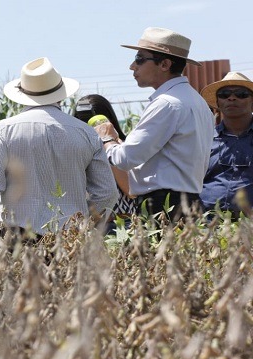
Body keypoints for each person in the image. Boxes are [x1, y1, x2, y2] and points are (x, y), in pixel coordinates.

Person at [0, 57, 117, 240]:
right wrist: (84, 222)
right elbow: (107, 192)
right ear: (61, 94)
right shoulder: (87, 133)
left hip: (15, 237)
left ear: (23, 94)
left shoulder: (3, 131)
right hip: (69, 238)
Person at [94, 27, 213, 220]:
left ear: (165, 64)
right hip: (186, 202)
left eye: (140, 59)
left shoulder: (166, 103)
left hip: (162, 206)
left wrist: (106, 138)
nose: (133, 66)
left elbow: (125, 159)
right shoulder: (196, 101)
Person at [74, 94, 137, 225]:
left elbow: (131, 190)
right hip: (86, 226)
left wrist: (107, 143)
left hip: (120, 224)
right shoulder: (74, 149)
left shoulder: (120, 147)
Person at [199, 72, 253, 217]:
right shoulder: (204, 139)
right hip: (208, 225)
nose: (231, 98)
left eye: (241, 94)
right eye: (224, 94)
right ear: (217, 103)